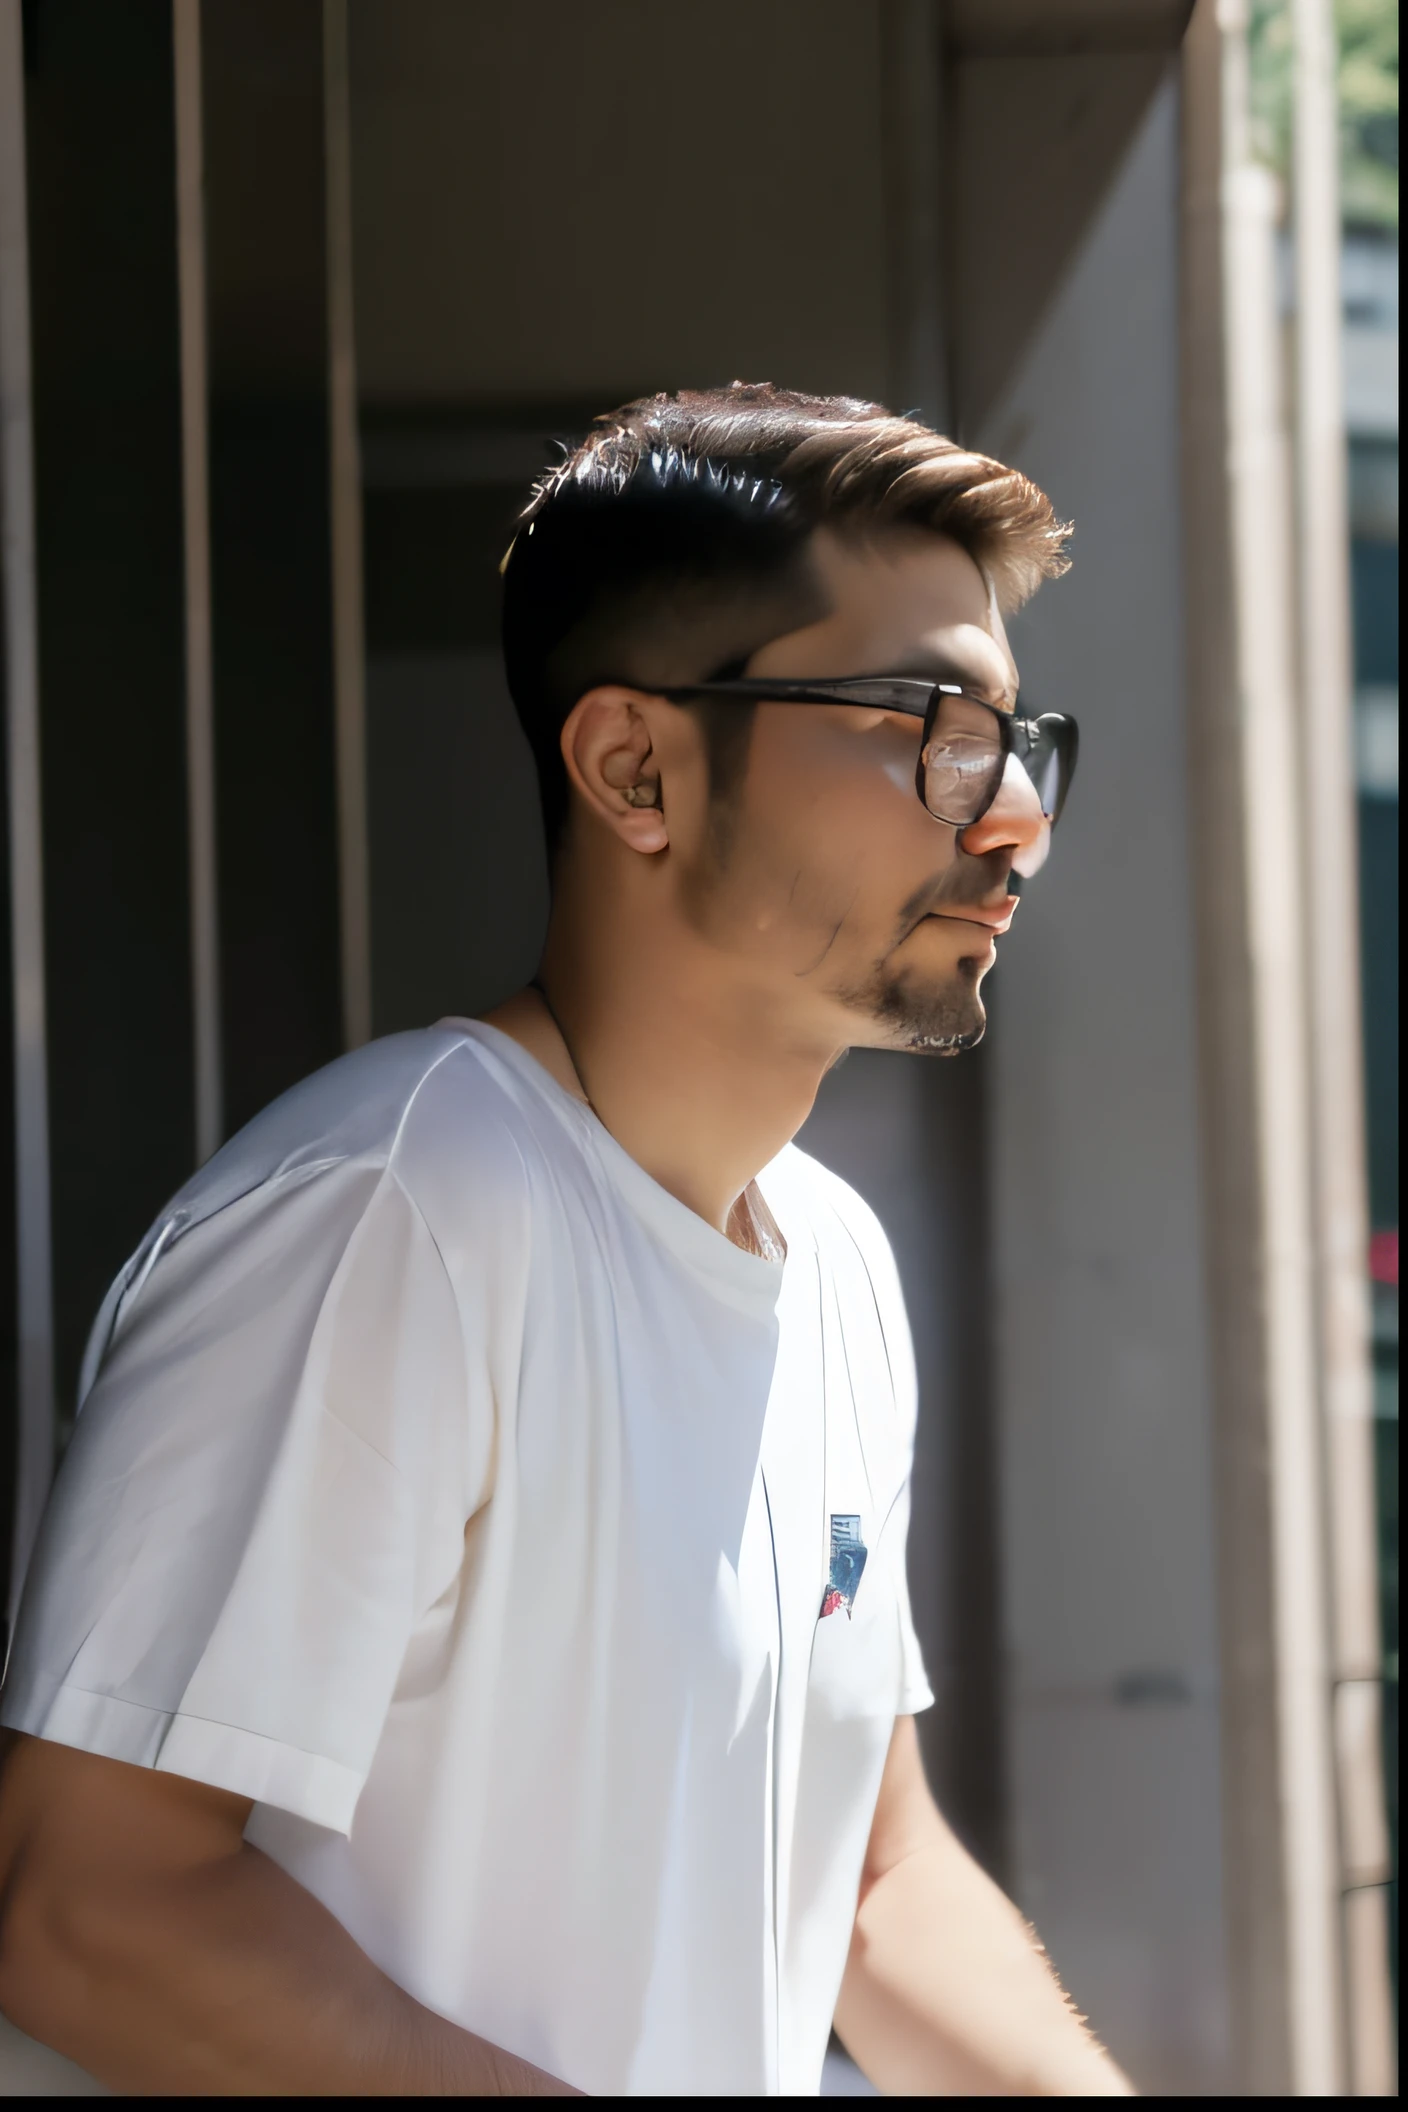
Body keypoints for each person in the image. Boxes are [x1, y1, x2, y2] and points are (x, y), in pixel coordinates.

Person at [0, 384, 1127, 2096]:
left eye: (1018, 745)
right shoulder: (401, 1209)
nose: (1010, 817)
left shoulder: (831, 1263)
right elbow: (84, 1905)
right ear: (633, 768)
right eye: (930, 728)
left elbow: (875, 1884)